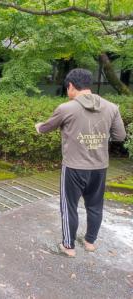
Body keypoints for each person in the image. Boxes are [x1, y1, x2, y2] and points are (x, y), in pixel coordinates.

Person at [35, 68, 126, 257]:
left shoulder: (66, 108)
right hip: (100, 167)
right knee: (95, 205)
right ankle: (90, 241)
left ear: (70, 86)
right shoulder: (111, 107)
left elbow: (45, 128)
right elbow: (120, 136)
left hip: (74, 167)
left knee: (69, 206)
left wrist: (38, 126)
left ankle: (69, 246)